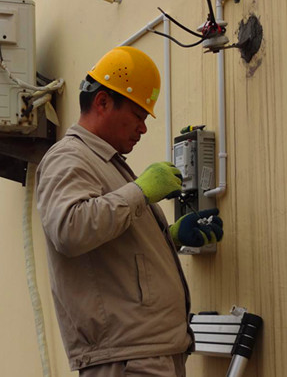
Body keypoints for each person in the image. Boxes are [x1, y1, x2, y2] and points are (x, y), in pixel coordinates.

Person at [36, 46, 223, 376]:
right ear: (103, 102)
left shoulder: (103, 162)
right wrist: (140, 191)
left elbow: (112, 248)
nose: (143, 128)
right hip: (127, 359)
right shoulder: (68, 157)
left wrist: (170, 238)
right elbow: (70, 229)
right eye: (138, 115)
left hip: (146, 352)